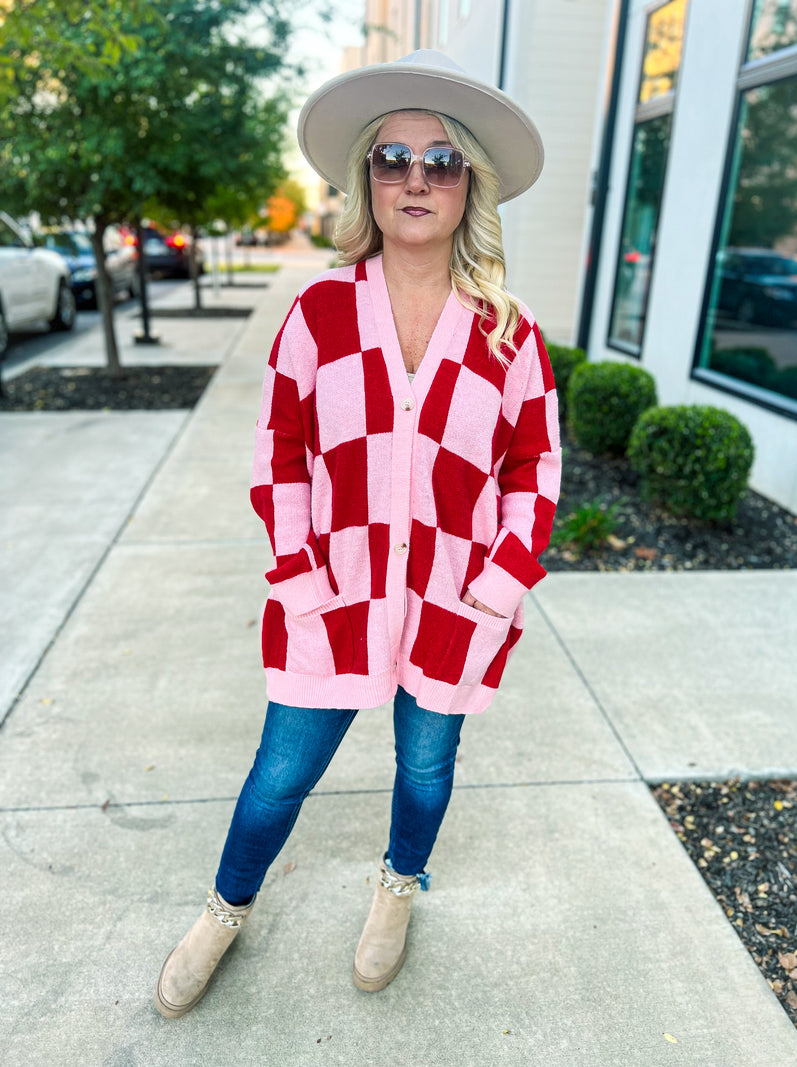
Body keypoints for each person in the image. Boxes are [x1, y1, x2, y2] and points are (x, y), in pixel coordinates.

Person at [154, 49, 561, 1019]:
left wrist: (495, 586)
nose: (415, 178)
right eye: (391, 157)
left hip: (453, 603)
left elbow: (532, 470)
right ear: (364, 181)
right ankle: (224, 905)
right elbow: (278, 454)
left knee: (425, 767)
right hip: (330, 597)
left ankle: (397, 888)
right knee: (279, 773)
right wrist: (297, 576)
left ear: (470, 183)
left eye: (440, 160)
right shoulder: (319, 312)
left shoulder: (508, 332)